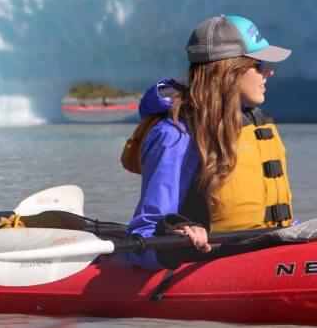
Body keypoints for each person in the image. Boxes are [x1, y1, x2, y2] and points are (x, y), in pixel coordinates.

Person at [125, 15, 294, 270]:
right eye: (260, 64)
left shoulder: (254, 125)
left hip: (266, 255)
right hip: (208, 264)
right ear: (230, 69)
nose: (269, 71)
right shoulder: (175, 134)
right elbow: (145, 232)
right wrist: (177, 232)